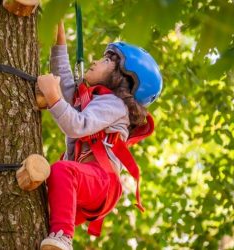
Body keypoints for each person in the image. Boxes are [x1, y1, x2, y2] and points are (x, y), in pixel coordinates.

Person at [37, 22, 163, 250]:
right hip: (81, 183)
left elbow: (77, 125)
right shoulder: (91, 99)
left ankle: (63, 238)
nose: (95, 61)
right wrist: (59, 39)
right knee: (44, 188)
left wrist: (54, 98)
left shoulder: (115, 104)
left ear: (122, 79)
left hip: (101, 183)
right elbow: (65, 82)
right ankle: (53, 233)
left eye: (106, 61)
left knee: (61, 169)